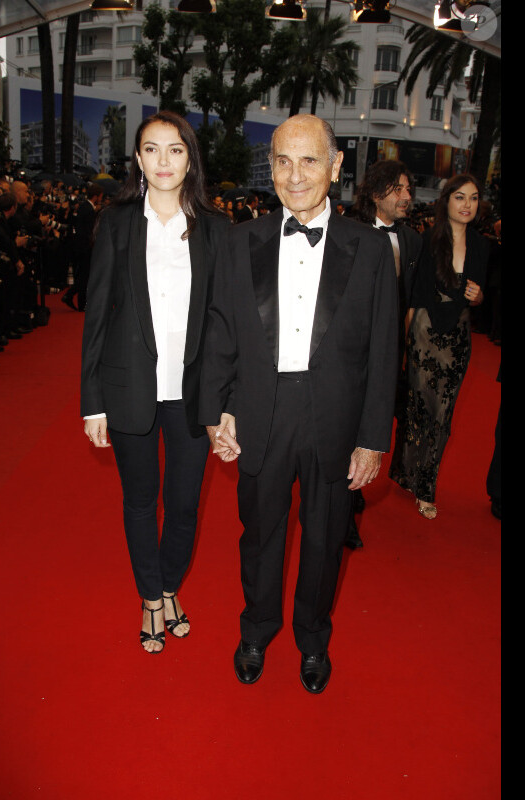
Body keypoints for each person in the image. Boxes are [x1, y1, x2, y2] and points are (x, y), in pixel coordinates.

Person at [199, 114, 399, 694]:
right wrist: (217, 411)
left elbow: (385, 351)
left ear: (336, 167)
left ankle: (312, 637)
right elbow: (220, 334)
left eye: (309, 160)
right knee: (259, 531)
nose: (294, 175)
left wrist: (372, 436)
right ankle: (257, 628)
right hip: (260, 410)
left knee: (324, 534)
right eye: (282, 161)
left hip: (335, 416)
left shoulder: (369, 248)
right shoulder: (242, 242)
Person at [80, 111, 229, 654]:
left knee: (185, 504)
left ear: (191, 158)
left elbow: (223, 322)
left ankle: (169, 586)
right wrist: (91, 401)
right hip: (128, 389)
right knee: (140, 501)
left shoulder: (215, 228)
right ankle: (150, 597)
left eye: (175, 150)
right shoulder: (117, 221)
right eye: (151, 150)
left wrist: (225, 400)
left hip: (192, 394)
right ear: (138, 159)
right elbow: (96, 313)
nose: (163, 161)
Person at [388, 174, 488, 519]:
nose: (467, 205)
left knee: (443, 415)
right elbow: (416, 296)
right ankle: (406, 471)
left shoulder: (482, 246)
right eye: (460, 197)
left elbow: (482, 300)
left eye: (473, 199)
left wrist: (479, 299)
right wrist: (404, 342)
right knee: (419, 409)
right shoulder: (429, 240)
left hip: (458, 337)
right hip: (425, 335)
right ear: (447, 201)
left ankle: (426, 487)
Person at [349, 160, 424, 546]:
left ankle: (355, 481)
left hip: (390, 349)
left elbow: (410, 300)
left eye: (409, 189)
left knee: (375, 419)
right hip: (352, 350)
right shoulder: (351, 233)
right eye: (399, 189)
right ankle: (343, 509)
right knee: (347, 421)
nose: (407, 197)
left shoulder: (411, 240)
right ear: (376, 191)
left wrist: (402, 352)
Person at [62, 183, 104, 312]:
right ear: (96, 196)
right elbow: (88, 230)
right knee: (84, 276)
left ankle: (80, 301)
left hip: (82, 246)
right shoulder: (87, 208)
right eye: (101, 196)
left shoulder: (85, 207)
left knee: (84, 275)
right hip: (85, 247)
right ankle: (72, 297)